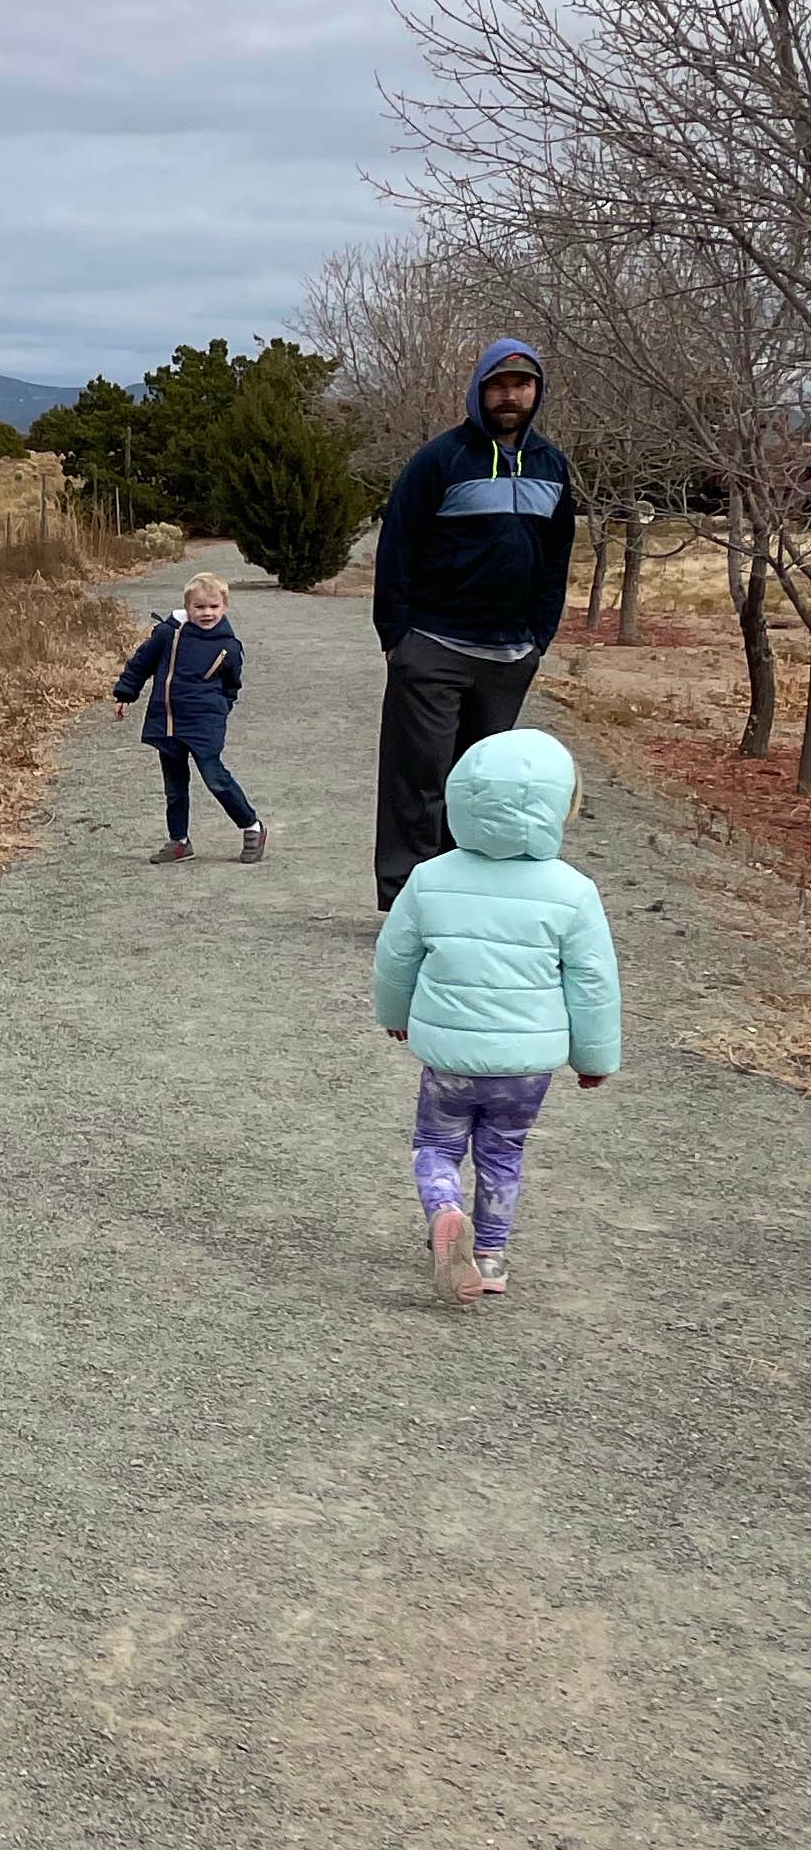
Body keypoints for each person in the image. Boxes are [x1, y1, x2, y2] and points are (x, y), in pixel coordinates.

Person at [373, 725, 618, 1302]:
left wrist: (396, 1012)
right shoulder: (573, 891)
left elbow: (395, 956)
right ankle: (490, 1256)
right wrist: (593, 1056)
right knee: (503, 1150)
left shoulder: (430, 878)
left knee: (436, 1144)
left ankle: (444, 1211)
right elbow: (593, 983)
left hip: (451, 1060)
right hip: (525, 1067)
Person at [371, 339, 575, 907]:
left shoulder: (551, 466)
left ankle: (466, 900)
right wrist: (398, 639)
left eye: (522, 384)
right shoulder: (439, 461)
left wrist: (540, 636)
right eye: (498, 384)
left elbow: (557, 556)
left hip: (509, 656)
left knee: (484, 787)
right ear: (479, 390)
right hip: (433, 645)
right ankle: (408, 902)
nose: (510, 395)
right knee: (419, 781)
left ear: (537, 393)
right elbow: (397, 550)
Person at [112, 572, 265, 863]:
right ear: (188, 607)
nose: (206, 613)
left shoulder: (228, 647)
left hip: (204, 723)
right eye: (199, 607)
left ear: (224, 607)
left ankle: (252, 826)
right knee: (174, 786)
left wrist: (219, 710)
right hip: (167, 721)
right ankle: (179, 841)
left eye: (213, 607)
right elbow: (141, 663)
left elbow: (231, 685)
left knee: (215, 777)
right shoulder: (168, 635)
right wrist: (125, 694)